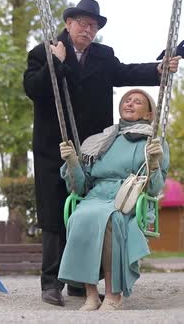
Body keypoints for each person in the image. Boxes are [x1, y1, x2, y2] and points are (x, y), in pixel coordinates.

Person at [22, 0, 180, 306]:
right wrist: (56, 61)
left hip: (93, 149)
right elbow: (33, 89)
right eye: (82, 22)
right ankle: (51, 283)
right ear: (68, 24)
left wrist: (159, 69)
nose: (88, 29)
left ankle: (82, 284)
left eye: (93, 25)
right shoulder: (43, 52)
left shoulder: (103, 56)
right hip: (55, 146)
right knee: (55, 213)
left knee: (90, 210)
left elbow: (126, 74)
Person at [58, 88, 169, 311]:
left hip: (126, 198)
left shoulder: (152, 143)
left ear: (148, 115)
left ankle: (112, 294)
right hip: (95, 195)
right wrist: (72, 162)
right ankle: (90, 295)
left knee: (110, 220)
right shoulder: (101, 141)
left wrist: (155, 163)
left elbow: (154, 188)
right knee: (79, 217)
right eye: (127, 100)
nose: (129, 103)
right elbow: (81, 186)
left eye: (137, 102)